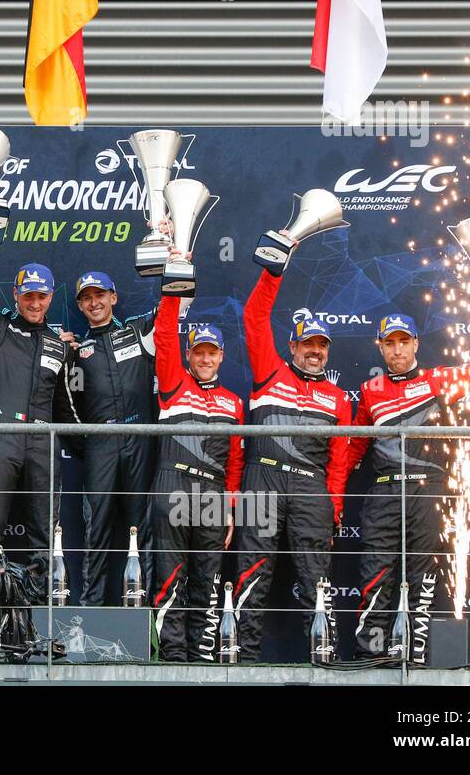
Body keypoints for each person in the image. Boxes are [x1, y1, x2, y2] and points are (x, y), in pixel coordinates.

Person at [344, 309, 470, 663]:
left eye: (404, 342)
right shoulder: (369, 390)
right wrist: (332, 494)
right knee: (375, 575)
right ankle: (368, 656)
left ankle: (415, 655)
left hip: (427, 491)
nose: (397, 350)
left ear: (416, 343)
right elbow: (356, 446)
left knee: (422, 578)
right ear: (380, 348)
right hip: (383, 492)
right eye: (389, 344)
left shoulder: (438, 380)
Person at [233, 262, 351, 662]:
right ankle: (242, 660)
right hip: (263, 480)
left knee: (316, 579)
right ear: (293, 347)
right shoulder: (269, 371)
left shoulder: (338, 399)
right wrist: (273, 272)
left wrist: (334, 508)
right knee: (252, 573)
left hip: (311, 488)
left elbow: (338, 463)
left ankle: (324, 661)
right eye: (308, 344)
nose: (315, 351)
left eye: (322, 345)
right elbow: (254, 316)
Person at [0, 238, 79, 570]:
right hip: (0, 438)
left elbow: (64, 406)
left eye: (42, 296)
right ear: (16, 295)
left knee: (45, 535)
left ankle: (42, 612)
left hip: (43, 443)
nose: (35, 303)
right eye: (28, 296)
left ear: (51, 297)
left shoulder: (59, 346)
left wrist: (92, 444)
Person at [149, 281, 244, 662]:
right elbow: (164, 333)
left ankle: (202, 653)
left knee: (207, 577)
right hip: (174, 481)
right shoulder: (173, 382)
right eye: (199, 352)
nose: (205, 359)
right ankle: (172, 655)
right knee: (171, 574)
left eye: (212, 353)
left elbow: (236, 460)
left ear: (221, 356)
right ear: (189, 354)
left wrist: (233, 507)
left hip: (214, 493)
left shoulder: (233, 402)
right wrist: (172, 288)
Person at [67, 271, 158, 606]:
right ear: (80, 304)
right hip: (100, 442)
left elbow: (176, 305)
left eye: (100, 295)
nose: (95, 302)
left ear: (114, 297)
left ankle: (146, 613)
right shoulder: (76, 351)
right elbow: (67, 406)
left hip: (140, 437)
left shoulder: (138, 331)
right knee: (96, 530)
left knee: (143, 529)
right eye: (87, 297)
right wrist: (89, 444)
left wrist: (174, 259)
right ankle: (90, 616)